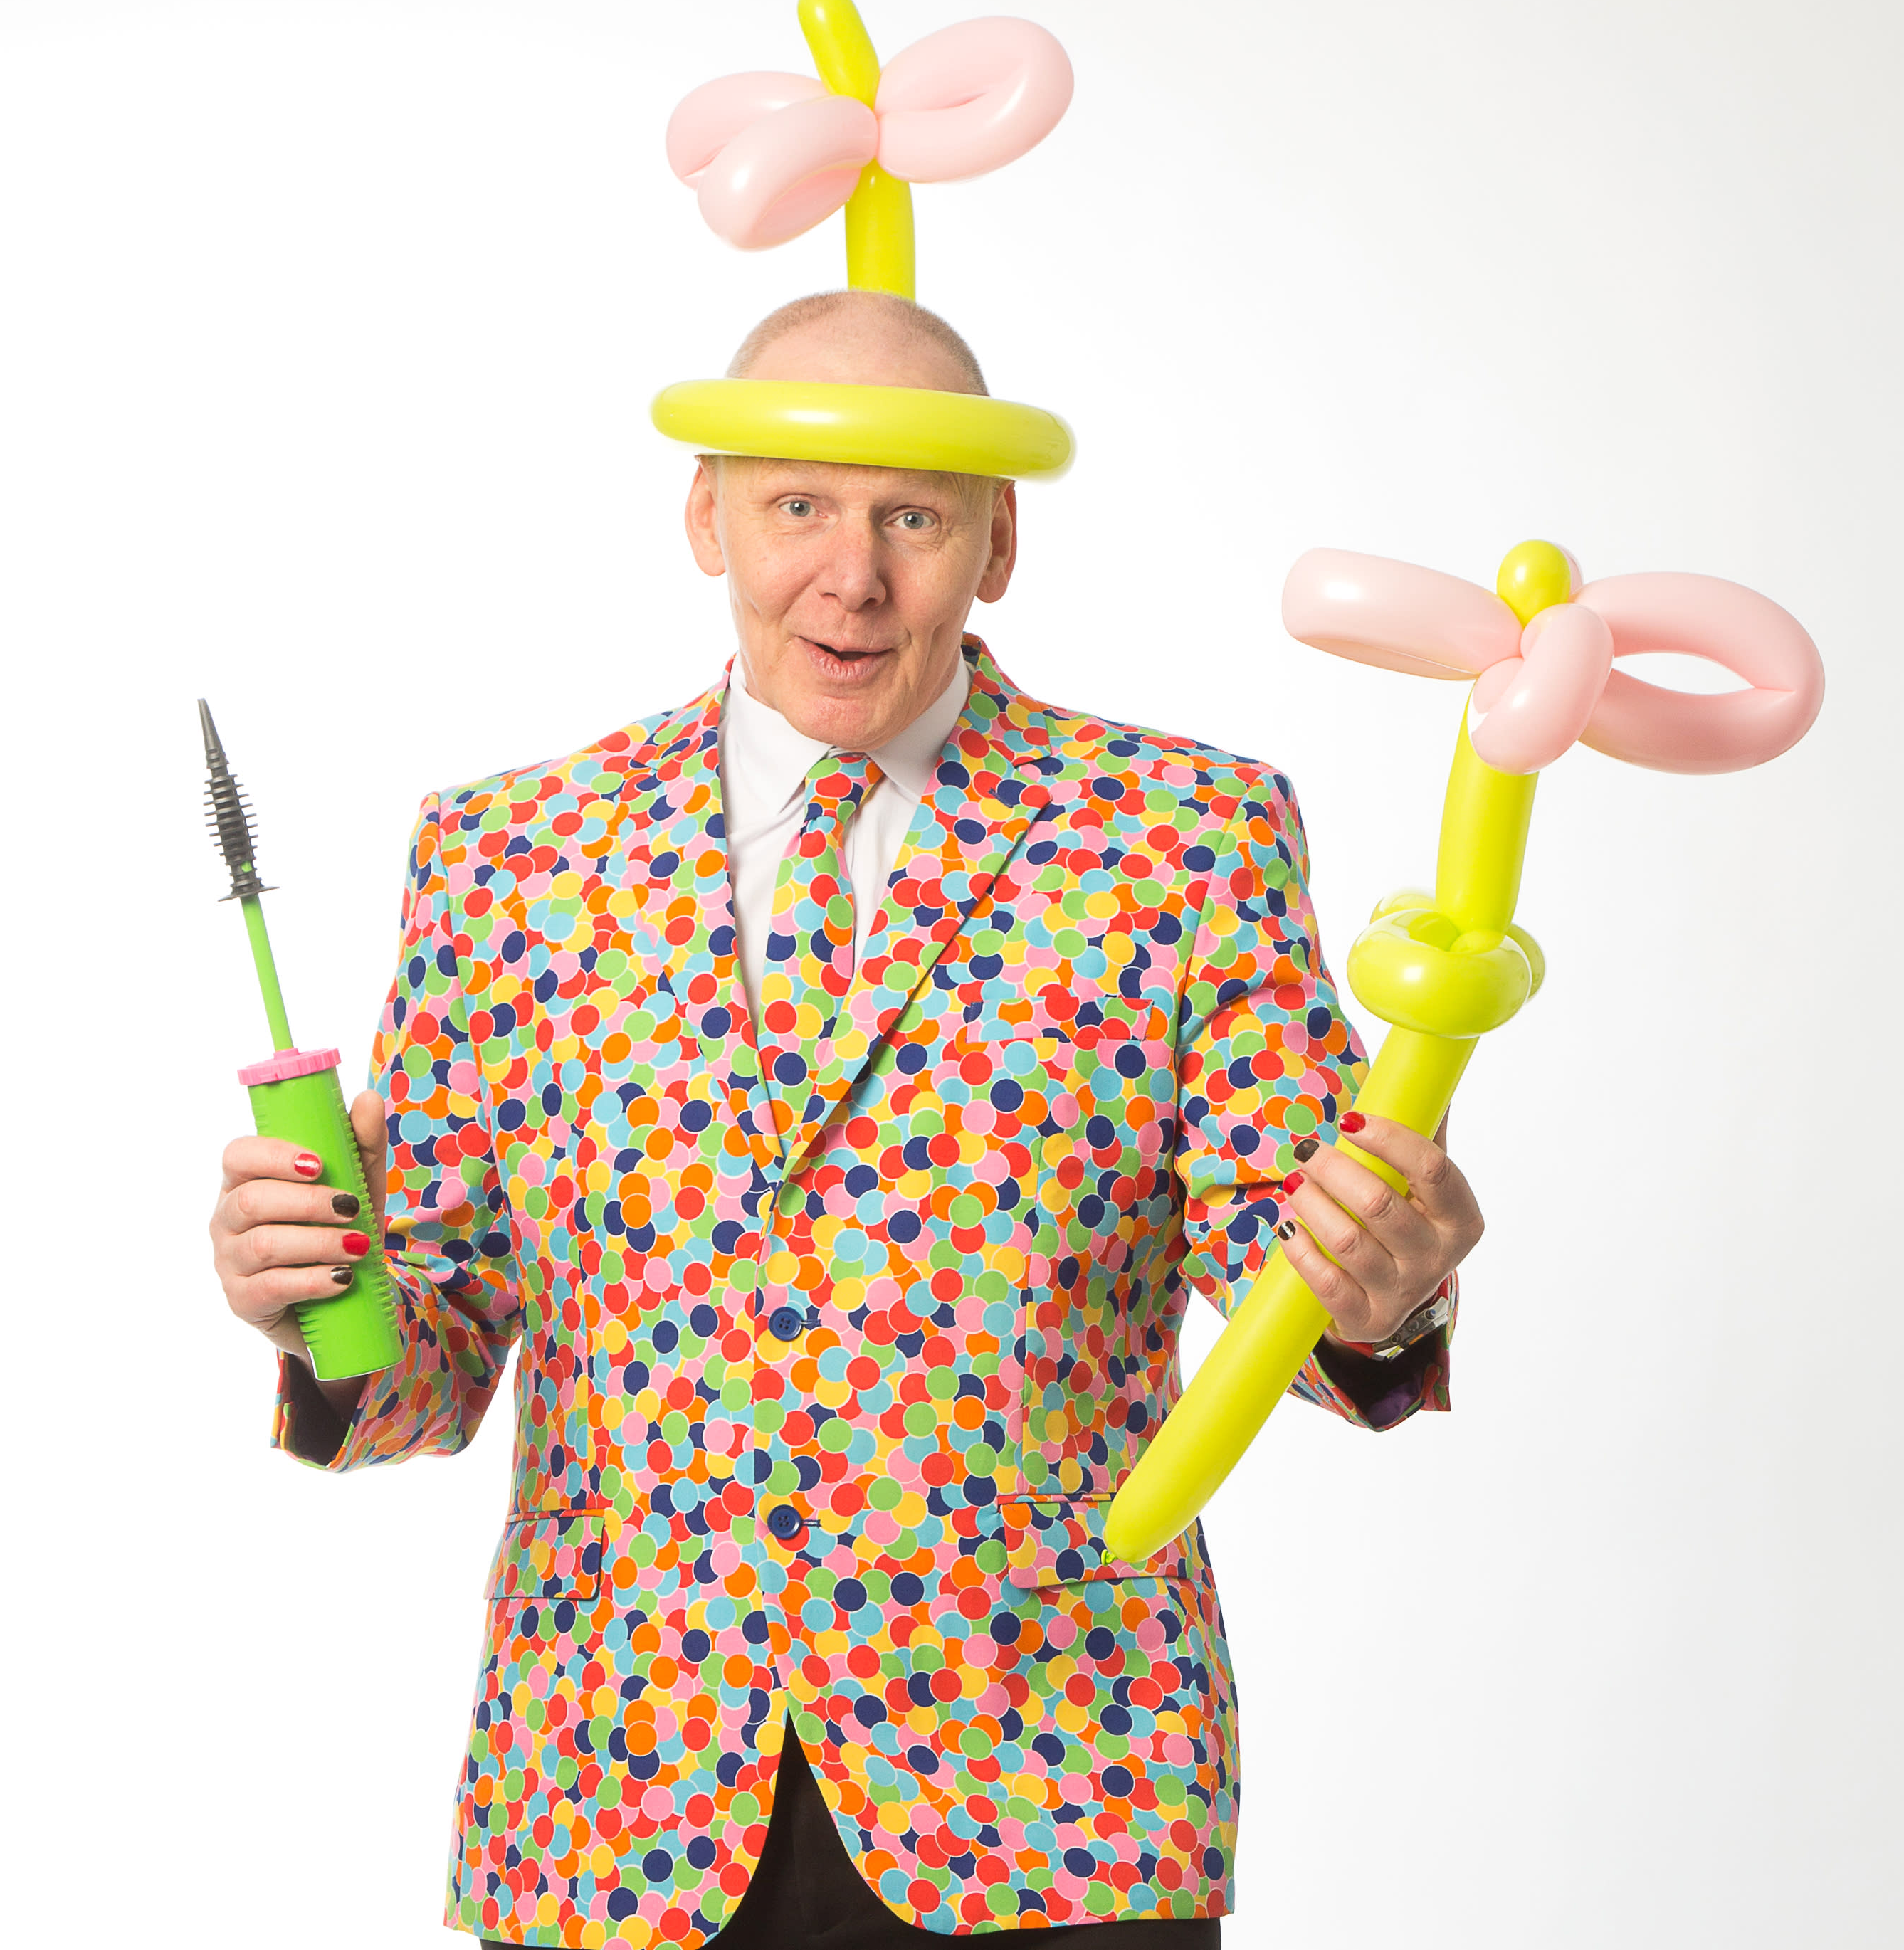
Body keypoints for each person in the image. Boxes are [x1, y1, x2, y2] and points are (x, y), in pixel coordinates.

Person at [211, 288, 1485, 1949]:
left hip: (1052, 1792)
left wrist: (1381, 1293)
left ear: (998, 541)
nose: (853, 576)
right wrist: (314, 1298)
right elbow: (432, 1362)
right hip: (611, 1799)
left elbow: (1293, 1286)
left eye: (913, 519)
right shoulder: (506, 857)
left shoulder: (1187, 838)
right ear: (706, 518)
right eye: (798, 506)